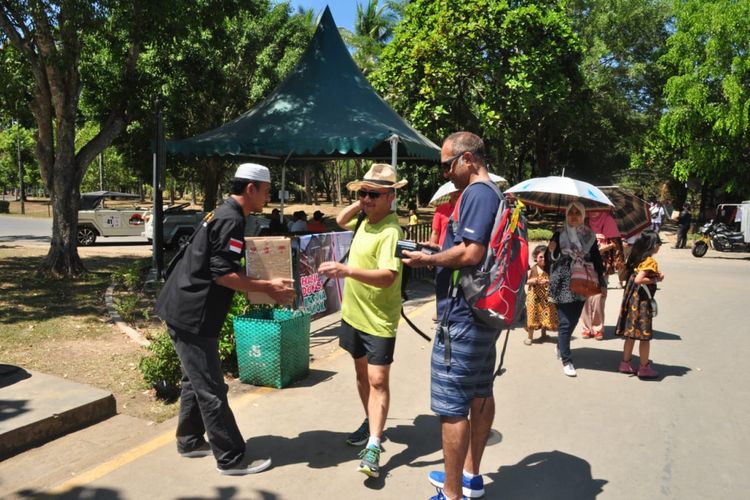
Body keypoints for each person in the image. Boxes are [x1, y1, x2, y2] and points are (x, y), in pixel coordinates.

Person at [155, 163, 296, 476]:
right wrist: (268, 287)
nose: (268, 196)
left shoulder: (223, 212)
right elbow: (224, 276)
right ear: (250, 189)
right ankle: (231, 458)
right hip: (193, 314)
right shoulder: (231, 219)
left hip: (183, 308)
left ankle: (190, 440)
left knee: (195, 379)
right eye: (267, 190)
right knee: (211, 387)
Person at [401, 131, 500, 500]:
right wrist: (437, 248)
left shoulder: (476, 193)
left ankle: (453, 494)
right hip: (484, 313)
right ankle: (471, 475)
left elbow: (472, 254)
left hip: (462, 315)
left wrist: (428, 260)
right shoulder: (494, 193)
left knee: (452, 408)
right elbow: (467, 249)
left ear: (469, 158)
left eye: (448, 164)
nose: (445, 173)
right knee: (480, 393)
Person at [317, 163, 406, 479]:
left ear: (391, 197)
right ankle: (371, 420)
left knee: (378, 380)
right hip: (354, 315)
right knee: (360, 372)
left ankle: (374, 445)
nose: (366, 200)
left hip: (379, 319)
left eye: (373, 194)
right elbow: (340, 219)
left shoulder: (392, 231)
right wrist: (364, 199)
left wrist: (347, 271)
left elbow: (386, 277)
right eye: (363, 193)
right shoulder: (364, 219)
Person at [544, 202, 607, 377]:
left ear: (582, 215)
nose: (573, 216)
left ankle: (560, 345)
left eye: (577, 213)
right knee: (565, 322)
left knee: (572, 320)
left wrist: (602, 282)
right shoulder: (558, 234)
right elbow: (549, 262)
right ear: (566, 215)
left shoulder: (589, 236)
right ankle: (567, 360)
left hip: (582, 281)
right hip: (562, 281)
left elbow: (596, 260)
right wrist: (552, 252)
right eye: (570, 212)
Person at [615, 230, 664, 379]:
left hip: (632, 302)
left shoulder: (636, 258)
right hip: (642, 304)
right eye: (658, 242)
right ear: (653, 245)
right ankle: (644, 367)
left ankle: (625, 363)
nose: (659, 245)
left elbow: (630, 276)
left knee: (631, 335)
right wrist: (656, 280)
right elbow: (639, 280)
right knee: (644, 336)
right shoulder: (650, 261)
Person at [580, 210, 622, 341]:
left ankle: (598, 328)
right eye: (591, 207)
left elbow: (617, 244)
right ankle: (586, 328)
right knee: (584, 297)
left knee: (599, 297)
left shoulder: (608, 220)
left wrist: (606, 247)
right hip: (584, 264)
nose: (593, 211)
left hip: (602, 266)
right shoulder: (584, 220)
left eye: (597, 207)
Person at [525, 245, 558, 345]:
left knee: (545, 314)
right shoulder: (533, 269)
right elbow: (525, 281)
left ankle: (544, 334)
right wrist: (534, 280)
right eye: (541, 257)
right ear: (535, 257)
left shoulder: (551, 268)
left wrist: (549, 281)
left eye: (546, 257)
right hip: (534, 297)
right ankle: (530, 337)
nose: (543, 259)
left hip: (547, 297)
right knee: (532, 315)